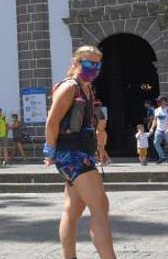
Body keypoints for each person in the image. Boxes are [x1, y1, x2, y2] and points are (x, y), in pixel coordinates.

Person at [44, 46, 116, 259]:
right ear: (76, 62)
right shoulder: (69, 88)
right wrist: (50, 151)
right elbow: (52, 122)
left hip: (81, 151)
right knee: (100, 207)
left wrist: (98, 142)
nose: (94, 68)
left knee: (72, 209)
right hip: (71, 154)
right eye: (89, 63)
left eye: (97, 65)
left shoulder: (87, 88)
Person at [149, 96, 168, 165]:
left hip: (167, 130)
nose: (161, 102)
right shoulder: (156, 110)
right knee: (156, 143)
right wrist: (152, 128)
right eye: (160, 101)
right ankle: (162, 157)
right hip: (159, 130)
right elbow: (155, 120)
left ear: (165, 102)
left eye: (163, 101)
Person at [94, 101, 110, 166]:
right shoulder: (102, 115)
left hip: (100, 133)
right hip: (101, 133)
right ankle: (107, 159)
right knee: (100, 148)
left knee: (100, 148)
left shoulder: (99, 115)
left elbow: (98, 126)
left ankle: (102, 162)